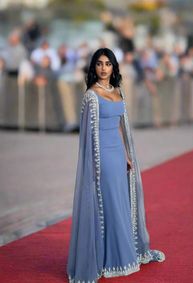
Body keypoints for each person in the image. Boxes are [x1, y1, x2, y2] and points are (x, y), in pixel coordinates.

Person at [66, 48, 165, 283]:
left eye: (107, 64)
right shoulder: (91, 95)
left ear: (113, 67)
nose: (103, 68)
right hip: (102, 157)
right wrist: (94, 164)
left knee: (120, 202)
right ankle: (112, 258)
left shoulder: (118, 91)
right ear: (94, 67)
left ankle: (125, 252)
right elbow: (87, 135)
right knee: (108, 203)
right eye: (99, 64)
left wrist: (126, 155)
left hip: (118, 154)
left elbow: (120, 127)